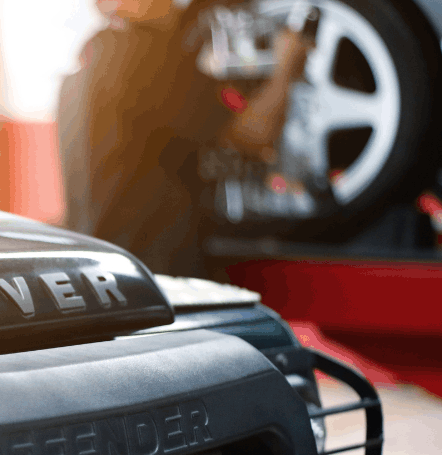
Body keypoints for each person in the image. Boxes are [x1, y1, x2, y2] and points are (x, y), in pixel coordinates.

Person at [59, 0, 312, 275]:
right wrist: (287, 67)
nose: (176, 6)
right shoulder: (141, 55)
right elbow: (254, 134)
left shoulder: (91, 60)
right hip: (154, 264)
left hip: (103, 263)